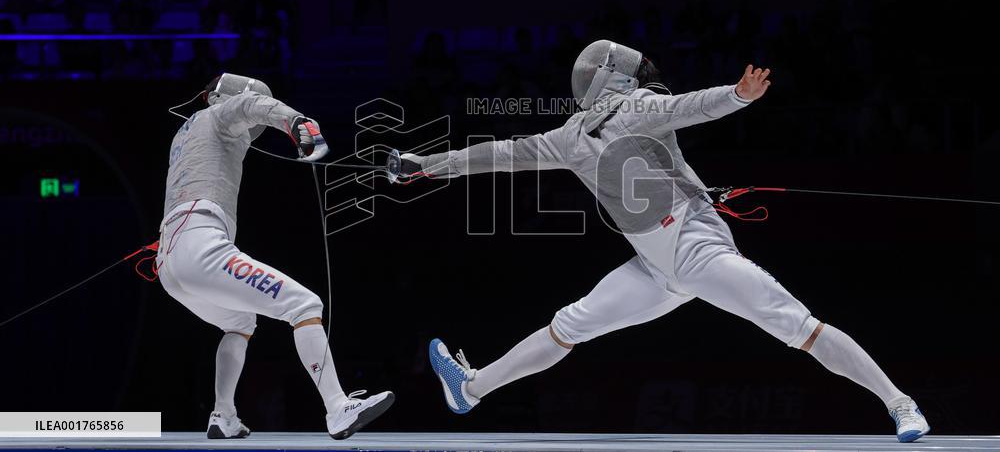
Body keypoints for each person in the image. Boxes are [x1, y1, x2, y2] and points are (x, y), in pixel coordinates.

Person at [400, 40, 930, 443]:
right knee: (570, 324)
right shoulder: (618, 117)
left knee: (796, 325)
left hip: (699, 252)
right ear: (618, 78)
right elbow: (688, 107)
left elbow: (499, 152)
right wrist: (737, 96)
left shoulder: (572, 135)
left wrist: (426, 166)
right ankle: (469, 390)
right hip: (655, 270)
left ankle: (899, 402)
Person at [157, 74, 393, 440]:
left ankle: (223, 416)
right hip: (199, 245)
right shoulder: (221, 112)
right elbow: (252, 106)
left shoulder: (185, 133)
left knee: (240, 321)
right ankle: (338, 408)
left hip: (170, 262)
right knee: (304, 305)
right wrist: (298, 123)